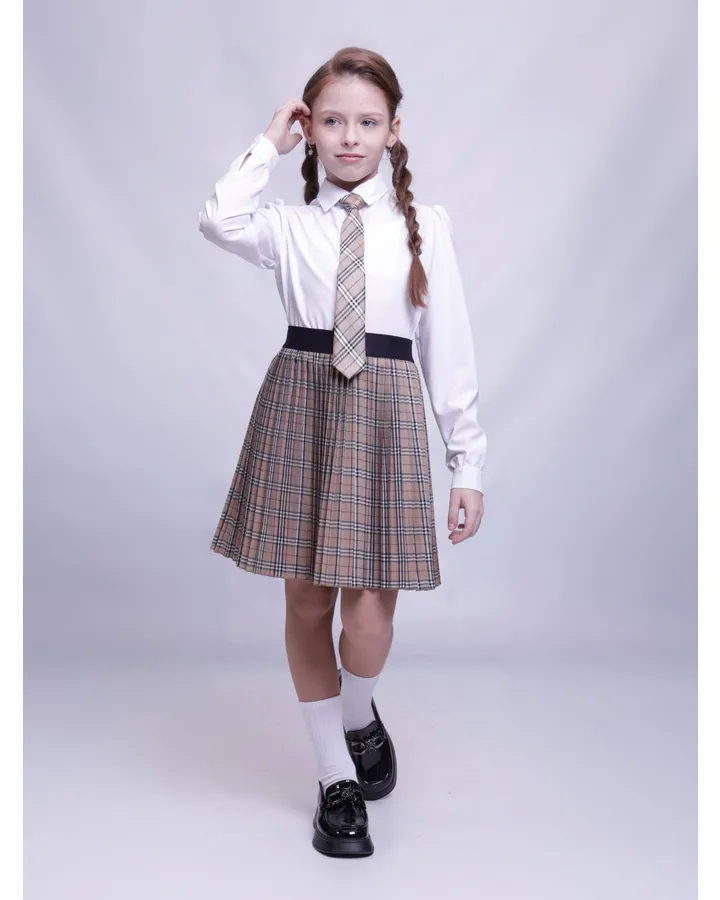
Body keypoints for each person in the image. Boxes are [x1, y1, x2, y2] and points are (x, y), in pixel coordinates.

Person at [198, 47, 487, 858]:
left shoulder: (426, 228)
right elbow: (217, 218)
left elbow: (449, 347)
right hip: (303, 405)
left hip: (386, 414)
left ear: (394, 130)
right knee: (306, 602)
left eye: (367, 121)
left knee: (369, 614)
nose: (350, 137)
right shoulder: (287, 226)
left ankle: (358, 716)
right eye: (331, 121)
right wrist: (268, 144)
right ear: (311, 129)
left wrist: (466, 462)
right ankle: (335, 779)